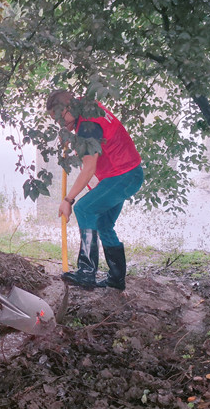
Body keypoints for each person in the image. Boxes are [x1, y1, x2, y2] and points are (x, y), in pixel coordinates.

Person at [47, 89, 143, 290]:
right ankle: (116, 281)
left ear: (68, 107)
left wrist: (68, 199)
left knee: (84, 209)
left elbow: (89, 168)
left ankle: (86, 273)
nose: (60, 124)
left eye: (59, 118)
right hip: (126, 174)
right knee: (103, 224)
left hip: (123, 175)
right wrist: (73, 138)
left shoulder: (88, 127)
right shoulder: (86, 107)